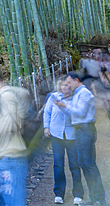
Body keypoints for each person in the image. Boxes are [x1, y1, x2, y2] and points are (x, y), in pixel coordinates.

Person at [0, 69, 28, 206]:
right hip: (8, 155)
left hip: (12, 155)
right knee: (11, 199)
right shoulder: (3, 95)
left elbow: (9, 124)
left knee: (14, 200)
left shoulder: (5, 96)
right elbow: (25, 94)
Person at [59, 72, 105, 205]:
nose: (68, 86)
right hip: (80, 130)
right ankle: (94, 197)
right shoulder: (78, 94)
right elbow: (74, 114)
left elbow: (80, 112)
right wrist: (61, 106)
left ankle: (100, 199)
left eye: (69, 83)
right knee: (84, 164)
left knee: (89, 164)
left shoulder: (84, 93)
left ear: (76, 80)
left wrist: (65, 105)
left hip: (86, 130)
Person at [44, 76, 85, 205]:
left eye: (67, 85)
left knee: (74, 164)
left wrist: (63, 106)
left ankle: (78, 194)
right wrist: (46, 127)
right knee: (58, 165)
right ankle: (58, 193)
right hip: (56, 135)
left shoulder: (76, 98)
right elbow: (47, 112)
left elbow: (77, 115)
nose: (64, 88)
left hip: (72, 135)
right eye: (62, 85)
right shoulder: (53, 97)